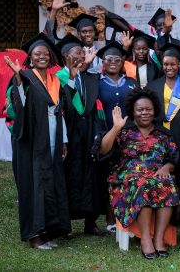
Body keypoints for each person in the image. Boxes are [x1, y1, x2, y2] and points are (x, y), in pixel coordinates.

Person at [4, 33, 71, 249]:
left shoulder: (54, 80)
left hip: (53, 134)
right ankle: (34, 234)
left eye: (45, 53)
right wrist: (17, 80)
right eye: (36, 54)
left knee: (50, 182)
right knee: (34, 183)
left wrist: (64, 140)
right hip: (31, 140)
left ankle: (48, 231)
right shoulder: (24, 76)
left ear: (50, 57)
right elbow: (18, 108)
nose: (41, 57)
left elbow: (61, 111)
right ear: (30, 58)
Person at [100, 88, 180, 259]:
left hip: (156, 175)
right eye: (140, 109)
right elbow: (103, 150)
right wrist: (115, 128)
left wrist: (167, 167)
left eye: (148, 109)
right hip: (127, 178)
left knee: (167, 185)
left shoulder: (163, 134)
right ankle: (145, 238)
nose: (145, 113)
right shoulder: (124, 132)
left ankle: (158, 239)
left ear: (154, 110)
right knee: (143, 185)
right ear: (133, 111)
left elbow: (176, 158)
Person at [55, 34, 107, 236]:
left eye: (83, 53)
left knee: (90, 176)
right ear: (66, 56)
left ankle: (90, 222)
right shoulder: (57, 78)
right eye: (77, 53)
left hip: (88, 133)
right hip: (69, 133)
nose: (82, 56)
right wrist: (74, 75)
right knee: (69, 175)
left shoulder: (90, 78)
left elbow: (94, 106)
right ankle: (65, 224)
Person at [96, 41, 137, 231]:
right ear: (103, 62)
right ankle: (111, 219)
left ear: (123, 62)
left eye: (117, 59)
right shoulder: (96, 84)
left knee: (126, 176)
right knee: (107, 177)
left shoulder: (131, 83)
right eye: (109, 59)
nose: (113, 62)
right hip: (107, 135)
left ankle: (127, 215)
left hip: (128, 136)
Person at [146, 39, 180, 173]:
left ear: (179, 64)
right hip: (159, 134)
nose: (169, 68)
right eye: (165, 64)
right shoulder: (153, 86)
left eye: (173, 64)